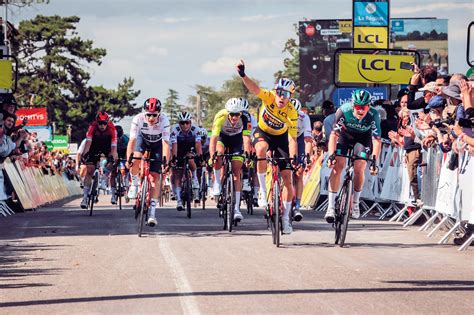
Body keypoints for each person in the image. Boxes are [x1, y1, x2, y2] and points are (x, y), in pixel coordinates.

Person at [236, 59, 298, 234]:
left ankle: (286, 218)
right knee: (261, 149)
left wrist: (292, 159)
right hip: (263, 133)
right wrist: (243, 75)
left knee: (288, 179)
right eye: (279, 93)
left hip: (281, 138)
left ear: (291, 97)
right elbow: (254, 88)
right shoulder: (269, 96)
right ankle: (262, 191)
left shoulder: (292, 111)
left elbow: (293, 138)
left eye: (285, 94)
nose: (281, 97)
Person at [324, 89, 381, 223]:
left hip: (363, 138)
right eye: (358, 107)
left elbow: (376, 140)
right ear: (352, 105)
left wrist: (374, 161)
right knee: (338, 165)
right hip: (345, 136)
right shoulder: (343, 111)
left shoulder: (374, 115)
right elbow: (333, 135)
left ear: (369, 106)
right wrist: (331, 155)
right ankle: (331, 207)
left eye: (364, 107)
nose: (361, 111)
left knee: (359, 166)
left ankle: (355, 202)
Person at [127, 98, 170, 227]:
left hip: (158, 144)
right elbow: (132, 141)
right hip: (143, 140)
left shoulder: (164, 120)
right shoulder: (138, 119)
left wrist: (165, 161)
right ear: (144, 113)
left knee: (154, 177)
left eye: (154, 115)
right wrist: (129, 158)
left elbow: (166, 144)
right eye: (148, 115)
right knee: (135, 158)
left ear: (159, 114)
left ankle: (152, 213)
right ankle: (134, 185)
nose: (151, 118)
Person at [209, 97, 251, 222]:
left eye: (237, 114)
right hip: (223, 138)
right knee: (219, 154)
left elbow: (246, 139)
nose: (234, 118)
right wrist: (212, 155)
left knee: (236, 172)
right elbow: (213, 139)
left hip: (237, 140)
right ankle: (217, 182)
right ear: (228, 113)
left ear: (241, 113)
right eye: (231, 114)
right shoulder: (220, 116)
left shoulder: (245, 118)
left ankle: (237, 209)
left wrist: (247, 154)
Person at [80, 111, 118, 208]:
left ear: (107, 122)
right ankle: (84, 198)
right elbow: (88, 144)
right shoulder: (92, 127)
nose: (102, 125)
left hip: (107, 146)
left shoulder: (112, 129)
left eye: (104, 123)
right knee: (90, 170)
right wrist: (84, 155)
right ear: (97, 122)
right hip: (94, 146)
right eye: (100, 123)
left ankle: (105, 178)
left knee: (112, 162)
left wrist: (112, 158)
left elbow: (113, 148)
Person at [169, 111, 202, 210]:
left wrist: (200, 158)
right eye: (182, 123)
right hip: (178, 148)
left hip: (190, 147)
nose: (185, 125)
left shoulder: (196, 130)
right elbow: (174, 146)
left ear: (190, 122)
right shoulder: (175, 130)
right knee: (177, 174)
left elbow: (198, 145)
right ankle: (179, 200)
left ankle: (195, 179)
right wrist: (174, 159)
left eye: (187, 122)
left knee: (191, 160)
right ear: (179, 123)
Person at [290, 98, 312, 221]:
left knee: (299, 172)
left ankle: (297, 205)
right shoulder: (282, 114)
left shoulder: (304, 117)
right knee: (283, 169)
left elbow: (308, 140)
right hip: (285, 138)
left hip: (299, 139)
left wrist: (307, 157)